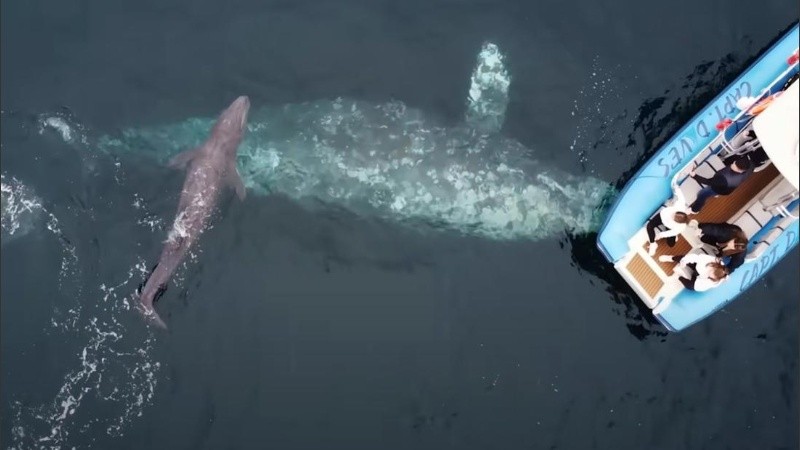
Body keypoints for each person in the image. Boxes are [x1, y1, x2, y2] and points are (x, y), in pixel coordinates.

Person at [688, 156, 753, 213]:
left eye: (734, 166)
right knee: (718, 189)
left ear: (740, 170)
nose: (732, 164)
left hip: (718, 188)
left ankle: (695, 210)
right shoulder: (750, 167)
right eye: (734, 162)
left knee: (702, 194)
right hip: (727, 189)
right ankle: (716, 194)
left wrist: (694, 175)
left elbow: (707, 181)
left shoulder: (723, 179)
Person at [645, 188, 690, 256]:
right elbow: (681, 196)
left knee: (671, 244)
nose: (671, 215)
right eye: (674, 214)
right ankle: (653, 244)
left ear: (677, 222)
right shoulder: (680, 206)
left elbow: (666, 234)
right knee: (649, 226)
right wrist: (676, 187)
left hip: (670, 227)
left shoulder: (680, 228)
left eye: (673, 217)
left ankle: (674, 236)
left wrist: (659, 236)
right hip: (661, 216)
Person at [660, 252, 730, 291]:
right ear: (715, 267)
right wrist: (684, 261)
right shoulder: (712, 260)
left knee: (690, 286)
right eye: (711, 272)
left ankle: (678, 277)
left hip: (699, 278)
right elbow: (695, 257)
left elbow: (699, 287)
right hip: (698, 267)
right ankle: (671, 258)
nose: (709, 274)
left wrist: (696, 279)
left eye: (710, 277)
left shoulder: (714, 282)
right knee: (683, 257)